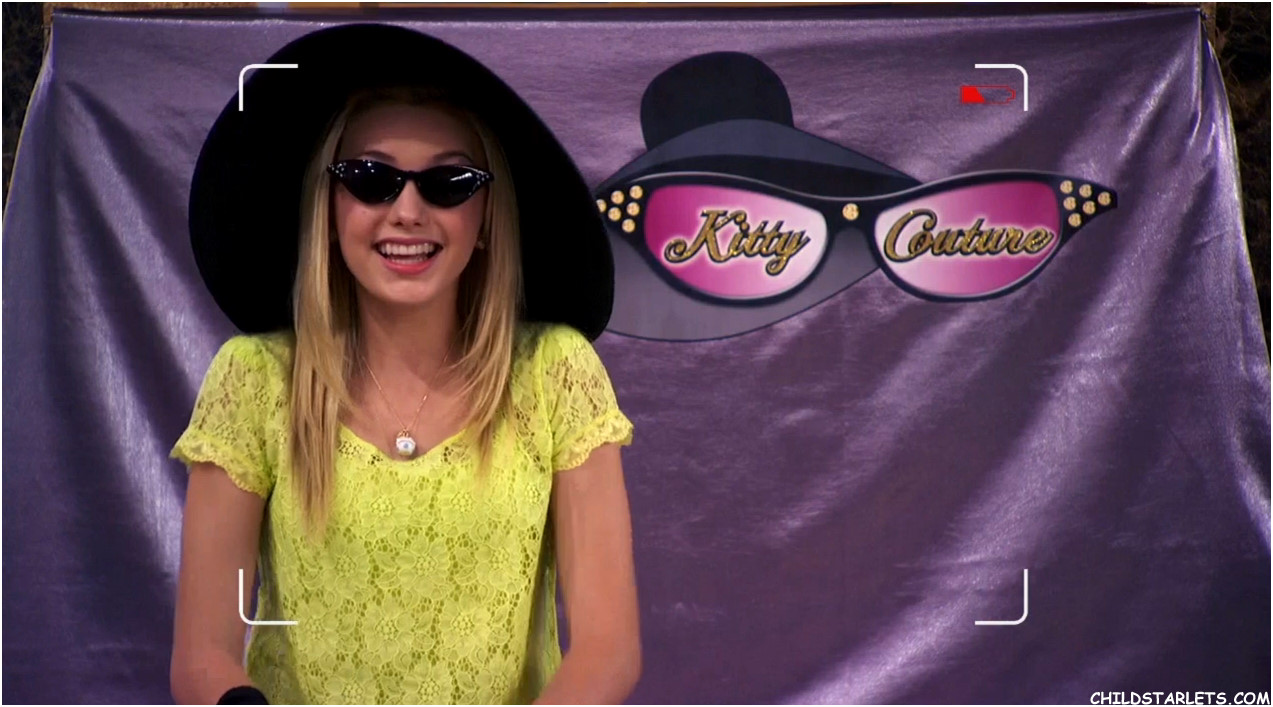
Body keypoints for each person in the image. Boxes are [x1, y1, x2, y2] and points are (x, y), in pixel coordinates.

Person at [169, 24, 639, 705]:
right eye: (372, 179)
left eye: (449, 182)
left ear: (488, 213)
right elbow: (202, 656)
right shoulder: (255, 380)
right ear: (328, 206)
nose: (408, 211)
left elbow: (608, 648)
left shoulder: (553, 374)